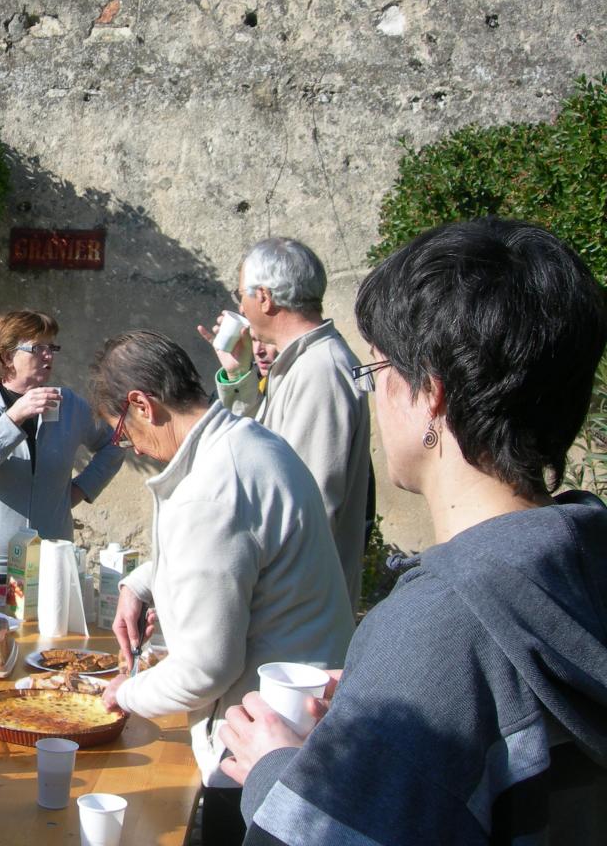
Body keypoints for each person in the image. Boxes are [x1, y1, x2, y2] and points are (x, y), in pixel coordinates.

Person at [221, 218, 607, 846]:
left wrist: (274, 768)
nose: (374, 398)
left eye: (377, 374)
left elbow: (311, 836)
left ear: (430, 393)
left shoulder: (438, 625)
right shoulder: (581, 561)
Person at [92, 330, 354, 846]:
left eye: (123, 432)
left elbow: (207, 668)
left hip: (261, 746)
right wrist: (142, 583)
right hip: (303, 724)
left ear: (142, 405)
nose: (132, 446)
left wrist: (127, 692)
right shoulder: (246, 441)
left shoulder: (209, 490)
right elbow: (240, 551)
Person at [200, 238, 370, 609]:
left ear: (264, 298)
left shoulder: (321, 370)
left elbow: (308, 504)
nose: (239, 307)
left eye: (240, 294)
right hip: (289, 601)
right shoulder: (296, 364)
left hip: (299, 609)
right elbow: (253, 454)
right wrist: (240, 372)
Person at [0, 310, 126, 588]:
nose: (49, 356)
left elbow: (115, 442)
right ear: (7, 356)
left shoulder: (67, 403)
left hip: (51, 561)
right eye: (37, 348)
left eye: (51, 347)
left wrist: (80, 490)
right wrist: (13, 418)